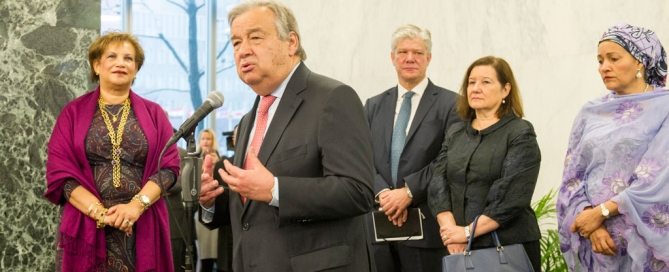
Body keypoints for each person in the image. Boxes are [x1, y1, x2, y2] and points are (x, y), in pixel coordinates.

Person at [197, 1, 375, 271]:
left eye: (255, 38)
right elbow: (249, 212)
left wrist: (275, 189)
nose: (243, 50)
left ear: (291, 42)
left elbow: (358, 191)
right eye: (235, 43)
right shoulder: (249, 120)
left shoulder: (333, 98)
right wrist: (212, 201)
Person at [44, 32, 180, 271]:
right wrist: (100, 213)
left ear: (136, 69)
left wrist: (135, 207)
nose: (121, 63)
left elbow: (168, 168)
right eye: (112, 56)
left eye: (129, 58)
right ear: (97, 65)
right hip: (87, 224)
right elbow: (60, 173)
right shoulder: (72, 113)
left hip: (142, 222)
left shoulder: (155, 113)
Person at [557, 23, 669, 271]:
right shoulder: (591, 112)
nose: (604, 67)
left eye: (614, 58)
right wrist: (591, 222)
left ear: (641, 61)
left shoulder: (665, 108)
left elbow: (658, 177)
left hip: (644, 246)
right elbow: (572, 177)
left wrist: (602, 213)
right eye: (600, 60)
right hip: (598, 246)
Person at [428, 56, 542, 271]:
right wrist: (451, 231)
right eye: (471, 82)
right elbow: (437, 182)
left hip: (507, 247)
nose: (476, 88)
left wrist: (467, 233)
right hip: (457, 247)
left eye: (486, 82)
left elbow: (511, 197)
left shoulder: (520, 132)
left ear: (505, 89)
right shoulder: (456, 132)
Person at [364, 24, 459, 272]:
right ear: (392, 57)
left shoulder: (452, 104)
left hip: (426, 228)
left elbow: (448, 159)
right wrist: (383, 194)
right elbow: (361, 156)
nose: (409, 58)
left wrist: (407, 193)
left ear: (428, 58)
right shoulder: (373, 105)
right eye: (403, 52)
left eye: (417, 53)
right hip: (379, 226)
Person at [195, 129, 220, 271]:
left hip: (216, 207)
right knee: (203, 251)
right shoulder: (194, 158)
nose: (206, 141)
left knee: (216, 248)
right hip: (199, 208)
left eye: (208, 139)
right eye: (203, 138)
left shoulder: (219, 158)